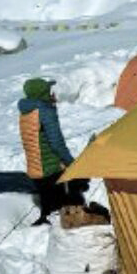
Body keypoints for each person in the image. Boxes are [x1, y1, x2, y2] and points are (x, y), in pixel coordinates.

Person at [17, 77, 86, 224]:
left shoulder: (26, 112)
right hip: (50, 167)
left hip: (36, 167)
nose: (51, 94)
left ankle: (45, 216)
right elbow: (56, 143)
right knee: (66, 198)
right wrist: (71, 163)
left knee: (47, 199)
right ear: (42, 94)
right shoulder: (45, 112)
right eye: (48, 91)